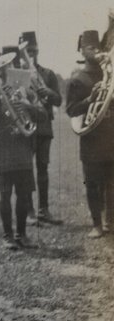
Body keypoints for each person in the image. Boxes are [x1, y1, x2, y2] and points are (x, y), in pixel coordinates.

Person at [0, 48, 46, 250]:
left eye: (10, 64)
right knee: (5, 194)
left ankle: (22, 235)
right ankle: (7, 236)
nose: (9, 68)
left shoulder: (25, 88)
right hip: (3, 146)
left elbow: (43, 114)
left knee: (23, 193)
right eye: (4, 66)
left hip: (22, 145)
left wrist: (28, 105)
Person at [66, 30, 114, 238]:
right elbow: (70, 110)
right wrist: (89, 101)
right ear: (82, 51)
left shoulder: (109, 75)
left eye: (97, 48)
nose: (95, 51)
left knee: (112, 183)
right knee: (93, 183)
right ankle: (96, 224)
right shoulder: (77, 79)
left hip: (110, 137)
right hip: (91, 139)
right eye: (90, 48)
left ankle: (109, 222)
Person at [18, 31, 62, 224]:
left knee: (42, 168)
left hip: (44, 127)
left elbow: (59, 100)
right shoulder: (17, 74)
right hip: (26, 126)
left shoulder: (48, 74)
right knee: (26, 170)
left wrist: (49, 92)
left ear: (37, 51)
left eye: (32, 50)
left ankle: (44, 210)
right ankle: (29, 212)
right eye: (26, 51)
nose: (30, 54)